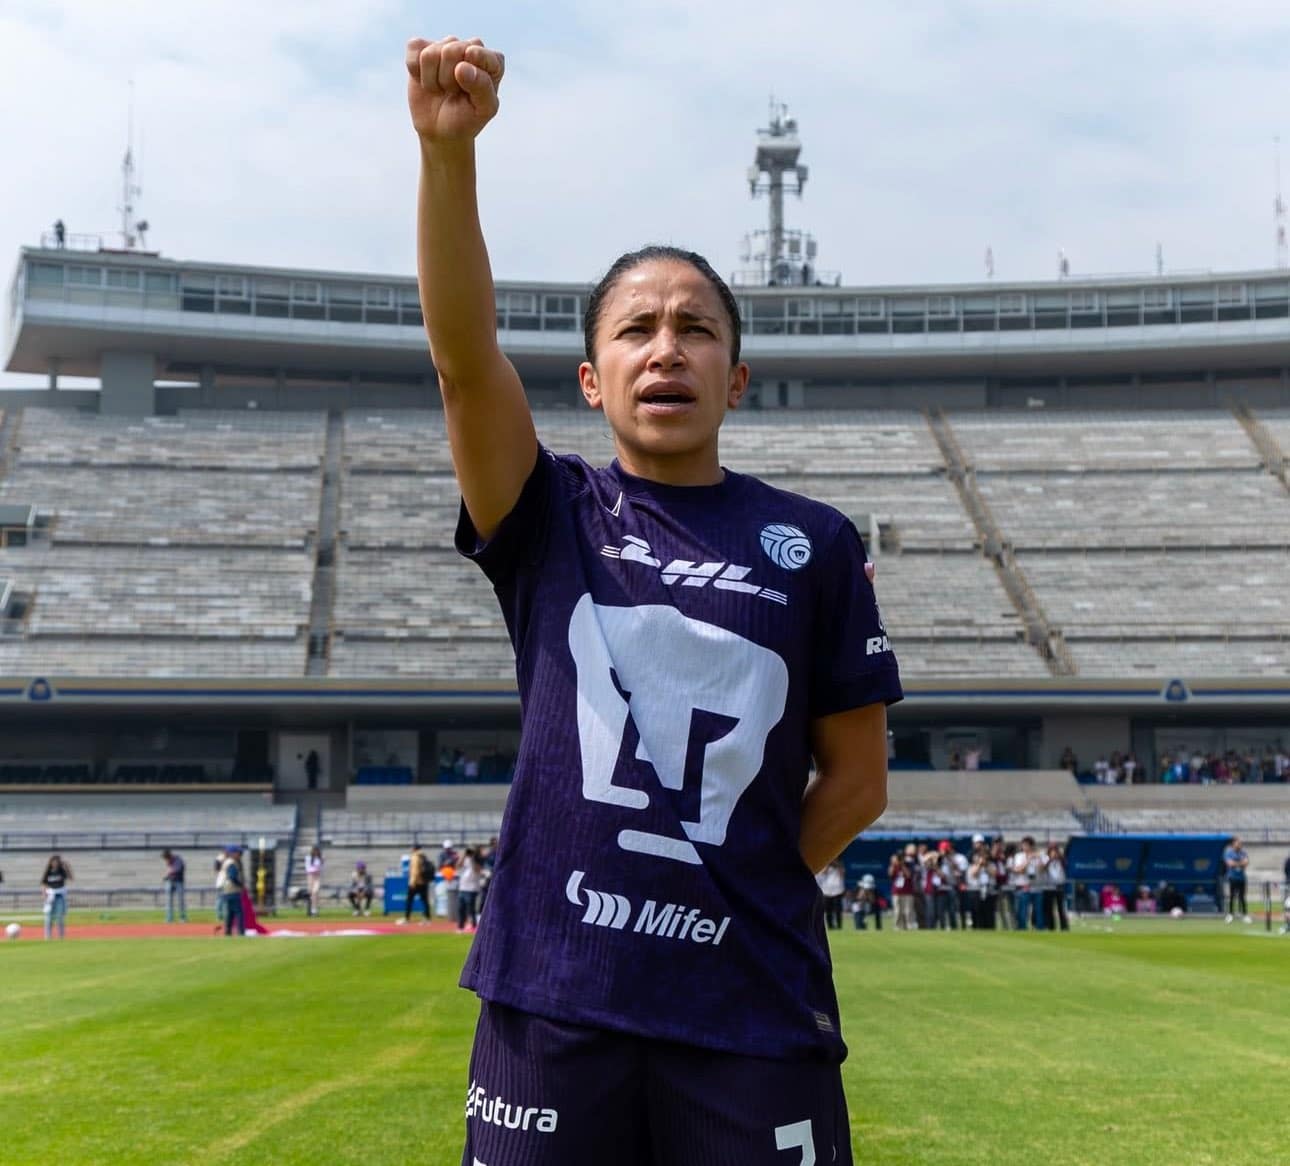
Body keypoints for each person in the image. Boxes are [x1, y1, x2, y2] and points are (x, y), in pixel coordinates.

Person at [406, 34, 900, 1165]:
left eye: (695, 330)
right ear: (592, 379)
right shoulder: (550, 513)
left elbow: (858, 779)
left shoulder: (814, 542)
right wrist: (447, 158)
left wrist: (725, 879)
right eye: (635, 328)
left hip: (749, 1005)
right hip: (554, 997)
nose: (664, 348)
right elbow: (465, 359)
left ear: (736, 376)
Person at [41, 854, 72, 939]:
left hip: (60, 896)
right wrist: (44, 895)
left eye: (57, 861)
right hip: (50, 897)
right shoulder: (48, 872)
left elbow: (70, 877)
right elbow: (43, 883)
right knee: (48, 918)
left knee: (60, 917)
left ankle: (61, 936)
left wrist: (67, 867)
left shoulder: (61, 871)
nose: (55, 863)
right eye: (53, 861)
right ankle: (48, 937)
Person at [400, 842, 431, 925]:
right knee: (425, 901)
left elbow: (415, 871)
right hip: (424, 882)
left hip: (416, 882)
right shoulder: (423, 856)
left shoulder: (415, 857)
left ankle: (407, 918)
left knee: (409, 900)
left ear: (414, 848)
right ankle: (427, 918)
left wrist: (412, 882)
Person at [217, 848, 245, 936]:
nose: (240, 856)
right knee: (238, 912)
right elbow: (232, 877)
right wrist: (241, 885)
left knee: (230, 913)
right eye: (239, 854)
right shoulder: (232, 863)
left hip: (226, 890)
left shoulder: (226, 862)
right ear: (234, 853)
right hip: (232, 890)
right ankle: (240, 932)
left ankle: (228, 931)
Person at [1224, 836, 1250, 923]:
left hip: (1241, 878)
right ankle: (1230, 914)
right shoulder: (1229, 853)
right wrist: (1240, 863)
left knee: (1242, 897)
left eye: (1240, 843)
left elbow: (1246, 862)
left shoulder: (1243, 853)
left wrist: (1237, 863)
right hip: (1232, 877)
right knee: (1232, 896)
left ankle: (1245, 914)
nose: (1240, 845)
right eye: (1238, 843)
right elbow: (1229, 864)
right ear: (1234, 844)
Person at [457, 848, 481, 933]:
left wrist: (473, 858)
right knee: (461, 908)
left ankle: (474, 925)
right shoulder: (464, 860)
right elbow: (458, 866)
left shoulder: (477, 861)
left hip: (471, 888)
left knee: (470, 909)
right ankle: (460, 926)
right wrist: (464, 855)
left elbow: (477, 869)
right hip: (462, 888)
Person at [816, 859, 845, 931]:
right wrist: (828, 864)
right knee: (828, 910)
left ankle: (839, 926)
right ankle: (830, 926)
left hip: (837, 891)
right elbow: (822, 873)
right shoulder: (825, 866)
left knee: (838, 910)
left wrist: (837, 865)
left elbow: (842, 874)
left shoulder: (839, 867)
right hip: (827, 891)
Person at [161, 848, 187, 923]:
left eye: (166, 857)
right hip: (170, 882)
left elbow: (175, 870)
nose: (165, 859)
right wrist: (167, 876)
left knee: (180, 900)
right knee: (169, 901)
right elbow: (170, 871)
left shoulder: (178, 859)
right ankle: (169, 918)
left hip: (179, 882)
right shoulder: (168, 861)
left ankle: (182, 918)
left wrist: (166, 876)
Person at [305, 845, 324, 916]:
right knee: (311, 894)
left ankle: (314, 910)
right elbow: (307, 868)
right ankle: (311, 910)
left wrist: (316, 869)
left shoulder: (320, 859)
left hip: (317, 877)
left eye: (317, 851)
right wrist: (315, 869)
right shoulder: (308, 858)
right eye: (314, 851)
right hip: (310, 876)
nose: (315, 852)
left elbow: (321, 869)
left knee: (315, 892)